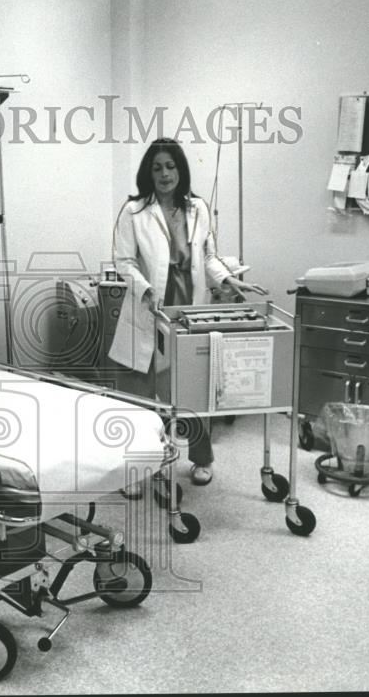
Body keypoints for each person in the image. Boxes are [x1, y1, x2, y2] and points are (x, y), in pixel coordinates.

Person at [108, 138, 267, 485]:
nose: (165, 174)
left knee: (191, 388)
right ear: (147, 173)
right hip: (149, 305)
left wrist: (228, 280)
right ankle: (138, 469)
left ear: (181, 169)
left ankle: (200, 457)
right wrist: (145, 288)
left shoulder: (197, 208)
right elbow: (123, 261)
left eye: (170, 166)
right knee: (140, 394)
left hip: (187, 307)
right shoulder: (134, 211)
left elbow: (209, 257)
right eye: (157, 167)